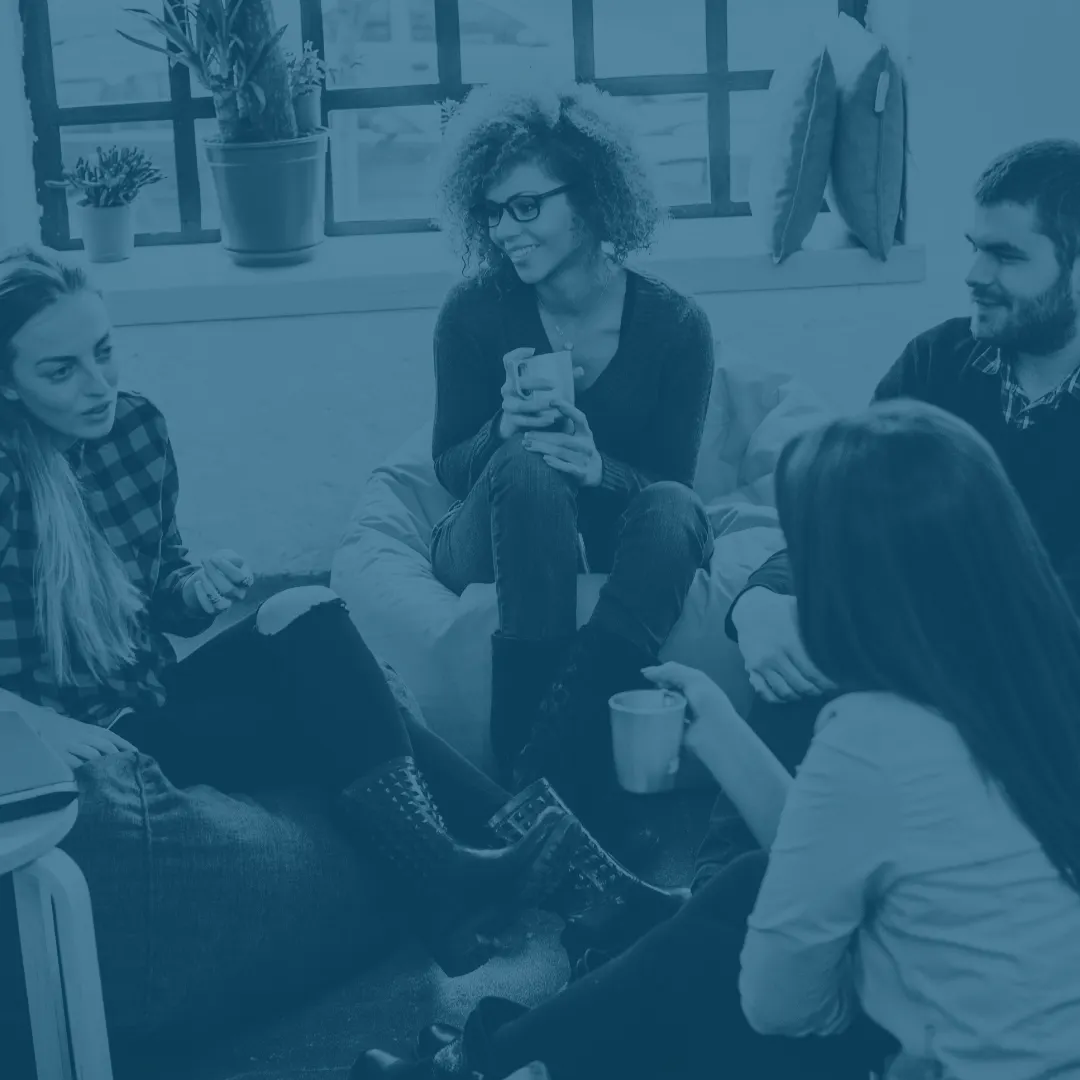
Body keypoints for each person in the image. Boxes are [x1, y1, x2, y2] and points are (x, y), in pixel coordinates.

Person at [0, 248, 679, 1057]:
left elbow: (159, 596)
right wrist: (25, 718)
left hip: (157, 701)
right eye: (61, 370)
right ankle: (568, 883)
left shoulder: (136, 429)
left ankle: (469, 877)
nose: (97, 383)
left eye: (104, 351)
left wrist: (196, 583)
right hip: (96, 748)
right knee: (361, 709)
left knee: (306, 615)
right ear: (8, 383)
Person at [355, 400, 1080, 1080]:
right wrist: (721, 728)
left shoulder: (876, 735)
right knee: (748, 890)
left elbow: (779, 1007)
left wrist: (863, 973)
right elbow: (843, 842)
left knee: (728, 948)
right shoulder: (1032, 675)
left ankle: (496, 1061)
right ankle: (503, 1057)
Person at [697, 136, 1080, 885]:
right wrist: (765, 603)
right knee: (805, 645)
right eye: (975, 249)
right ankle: (718, 888)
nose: (972, 275)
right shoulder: (939, 362)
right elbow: (839, 519)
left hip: (1040, 703)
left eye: (1005, 258)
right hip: (918, 652)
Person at [429, 78, 716, 827]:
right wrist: (501, 428)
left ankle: (546, 767)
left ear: (590, 200)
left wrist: (600, 469)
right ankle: (544, 761)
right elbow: (449, 468)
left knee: (679, 510)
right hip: (490, 530)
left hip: (611, 527)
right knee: (526, 469)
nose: (504, 231)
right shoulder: (472, 311)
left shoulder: (676, 326)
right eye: (493, 211)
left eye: (526, 206)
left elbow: (669, 486)